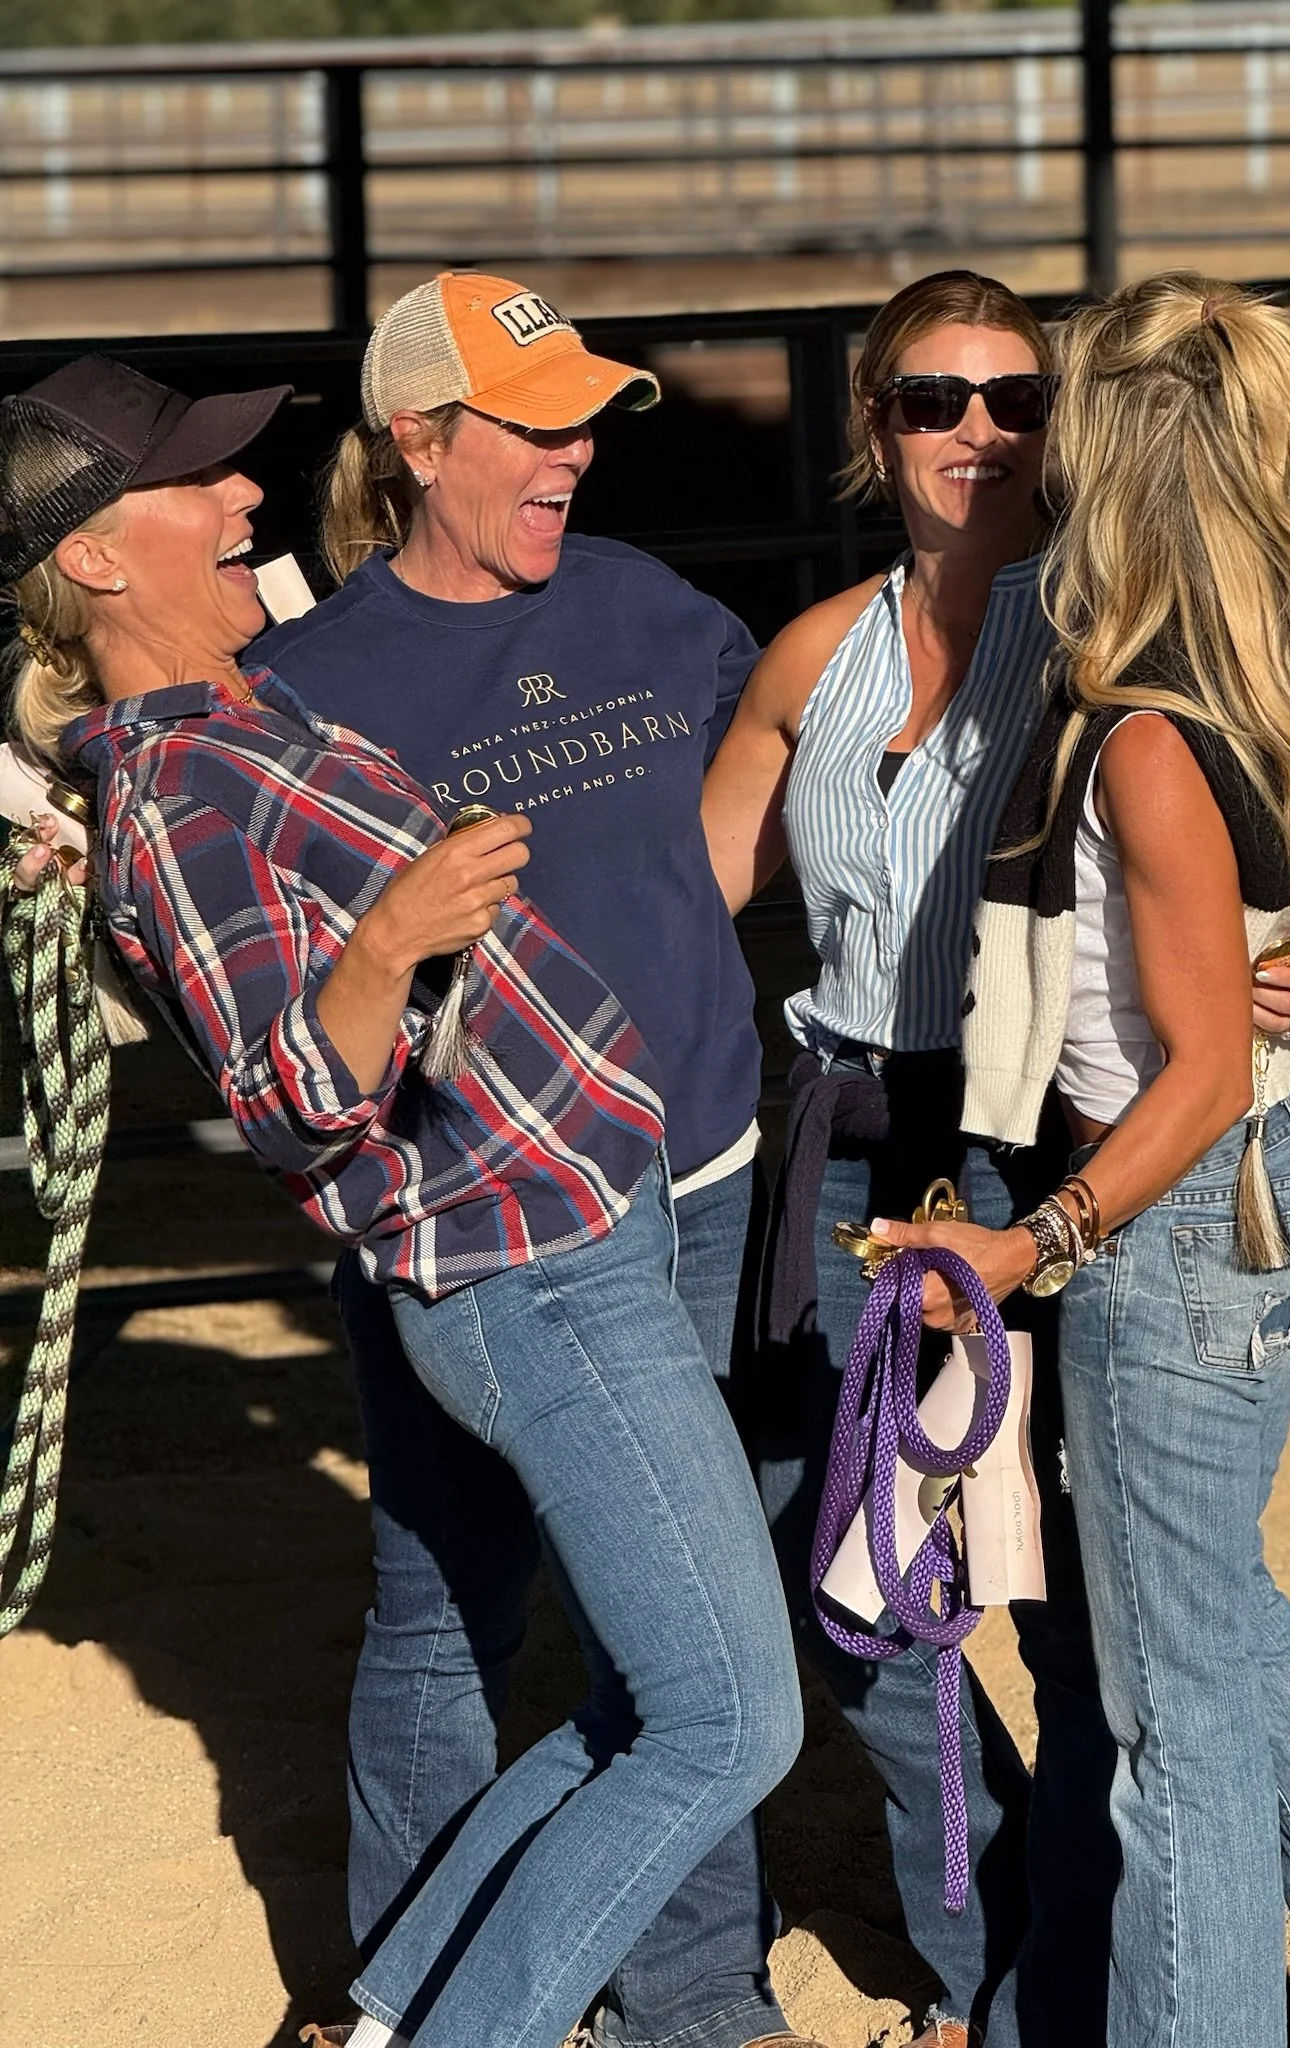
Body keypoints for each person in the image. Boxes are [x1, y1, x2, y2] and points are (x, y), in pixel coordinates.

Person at [0, 352, 801, 2048]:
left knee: (668, 1703)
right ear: (91, 558)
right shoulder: (177, 794)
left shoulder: (235, 708)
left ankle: (388, 2011)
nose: (245, 500)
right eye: (198, 485)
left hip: (586, 1224)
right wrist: (393, 933)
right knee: (730, 1726)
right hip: (536, 1267)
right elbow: (294, 1106)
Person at [871, 273, 1290, 2048]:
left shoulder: (1152, 731)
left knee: (1174, 1730)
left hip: (1174, 1218)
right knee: (1216, 1610)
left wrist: (1037, 1249)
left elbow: (1194, 1075)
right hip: (1283, 1184)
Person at [702, 269, 1290, 2048]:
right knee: (862, 1576)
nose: (977, 432)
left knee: (1082, 1603)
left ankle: (1064, 1990)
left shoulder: (1113, 649)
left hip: (1014, 1151)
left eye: (1016, 399)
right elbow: (684, 920)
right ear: (872, 426)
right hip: (841, 1151)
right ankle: (988, 1945)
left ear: (1065, 427)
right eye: (931, 399)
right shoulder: (806, 659)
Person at [248, 272, 808, 2048]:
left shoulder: (648, 607)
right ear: (419, 442)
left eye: (585, 422)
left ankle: (695, 1999)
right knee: (448, 1599)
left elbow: (788, 763)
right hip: (480, 1214)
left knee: (695, 1624)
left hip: (705, 1175)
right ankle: (410, 1984)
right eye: (533, 424)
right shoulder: (303, 688)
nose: (574, 456)